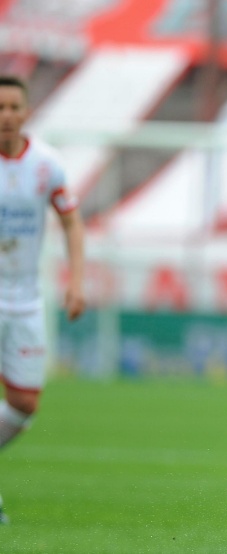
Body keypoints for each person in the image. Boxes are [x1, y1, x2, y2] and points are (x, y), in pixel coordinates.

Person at [0, 75, 86, 525]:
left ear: (27, 111)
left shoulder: (47, 165)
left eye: (14, 106)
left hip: (27, 301)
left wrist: (76, 282)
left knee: (24, 403)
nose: (7, 116)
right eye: (0, 108)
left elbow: (72, 223)